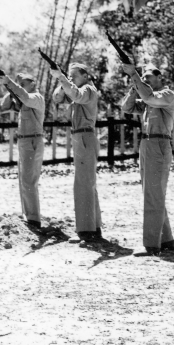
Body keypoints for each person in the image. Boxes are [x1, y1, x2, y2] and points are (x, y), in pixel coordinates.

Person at [120, 64, 174, 257]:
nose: (145, 80)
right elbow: (126, 108)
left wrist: (136, 77)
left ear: (159, 78)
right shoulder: (146, 98)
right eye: (143, 77)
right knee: (152, 193)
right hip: (146, 145)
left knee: (153, 194)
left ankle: (152, 245)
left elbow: (149, 97)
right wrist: (134, 86)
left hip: (159, 144)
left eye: (148, 78)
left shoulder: (166, 94)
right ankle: (167, 240)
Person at [52, 62, 102, 241]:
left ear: (85, 76)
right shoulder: (74, 91)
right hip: (80, 138)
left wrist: (62, 78)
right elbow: (57, 98)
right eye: (70, 75)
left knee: (82, 184)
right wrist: (62, 80)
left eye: (75, 75)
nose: (71, 78)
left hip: (85, 137)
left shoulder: (87, 90)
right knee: (87, 183)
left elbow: (75, 94)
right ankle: (93, 227)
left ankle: (86, 231)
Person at [0, 72, 45, 228]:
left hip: (32, 140)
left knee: (29, 180)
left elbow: (25, 97)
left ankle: (33, 218)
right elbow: (3, 107)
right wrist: (10, 89)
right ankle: (28, 214)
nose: (21, 87)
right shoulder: (23, 99)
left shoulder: (36, 97)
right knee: (24, 180)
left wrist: (11, 84)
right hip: (25, 140)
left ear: (33, 83)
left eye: (23, 83)